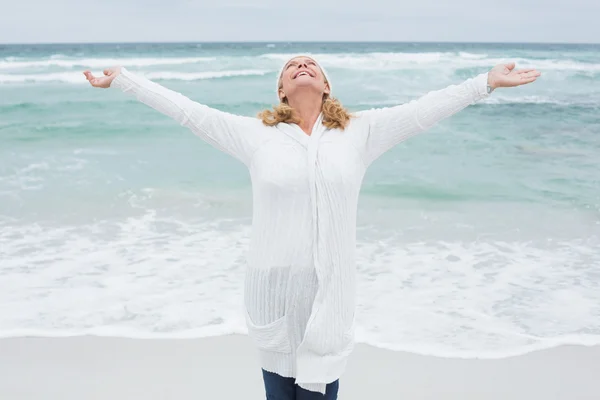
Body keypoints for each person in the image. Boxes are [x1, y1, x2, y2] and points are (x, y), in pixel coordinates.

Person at [83, 56, 540, 399]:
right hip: (273, 293)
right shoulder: (254, 134)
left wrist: (485, 83)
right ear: (282, 89)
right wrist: (124, 81)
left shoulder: (360, 132)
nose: (302, 66)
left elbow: (424, 111)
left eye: (311, 65)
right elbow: (188, 112)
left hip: (331, 298)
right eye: (291, 66)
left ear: (325, 86)